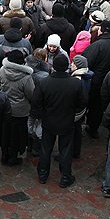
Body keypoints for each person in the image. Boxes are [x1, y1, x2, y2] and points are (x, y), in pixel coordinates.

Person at [31, 54, 86, 188]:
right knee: (65, 150)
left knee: (45, 149)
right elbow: (83, 102)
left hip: (49, 121)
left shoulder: (45, 82)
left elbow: (36, 101)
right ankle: (65, 177)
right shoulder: (76, 83)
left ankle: (43, 175)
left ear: (53, 66)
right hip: (67, 121)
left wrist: (41, 115)